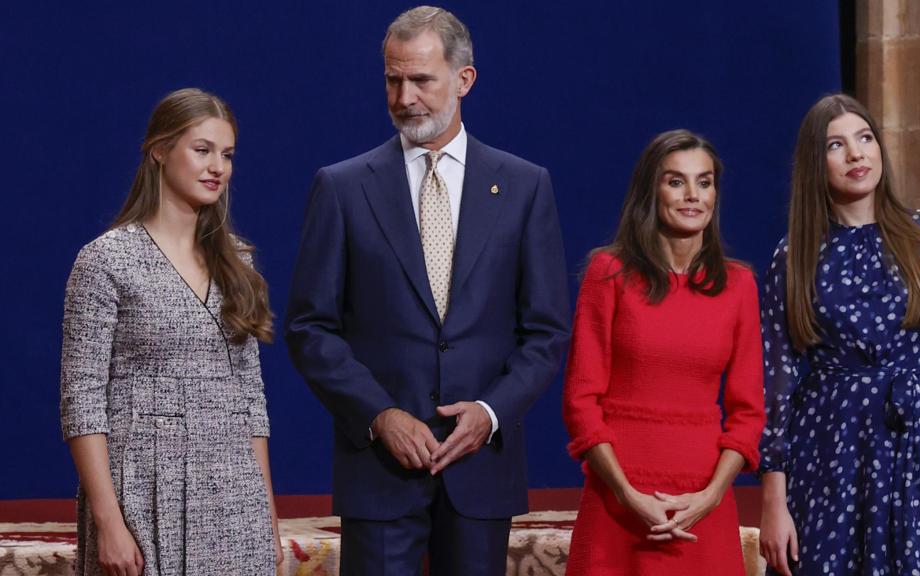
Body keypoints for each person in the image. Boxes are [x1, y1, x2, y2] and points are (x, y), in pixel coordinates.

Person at [284, 6, 570, 575]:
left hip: (480, 471)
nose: (404, 96)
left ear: (464, 80)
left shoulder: (524, 186)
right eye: (393, 79)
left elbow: (546, 332)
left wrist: (490, 412)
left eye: (421, 79)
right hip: (380, 471)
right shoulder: (341, 188)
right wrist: (379, 415)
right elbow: (309, 327)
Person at [757, 93, 920, 575]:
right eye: (836, 145)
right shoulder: (795, 256)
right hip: (829, 451)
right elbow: (776, 383)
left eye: (865, 138)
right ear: (814, 163)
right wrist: (773, 502)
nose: (856, 154)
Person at [60, 88, 282, 576]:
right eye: (202, 150)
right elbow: (81, 400)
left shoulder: (237, 262)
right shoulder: (106, 260)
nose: (217, 168)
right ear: (160, 150)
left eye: (226, 155)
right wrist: (108, 522)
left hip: (234, 497)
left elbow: (251, 398)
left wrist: (266, 518)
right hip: (142, 488)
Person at [562, 129, 766, 575]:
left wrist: (710, 496)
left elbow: (749, 414)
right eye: (676, 181)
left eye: (705, 182)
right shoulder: (609, 273)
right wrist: (626, 494)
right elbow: (581, 401)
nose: (693, 195)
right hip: (618, 505)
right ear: (650, 191)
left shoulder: (739, 285)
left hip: (702, 509)